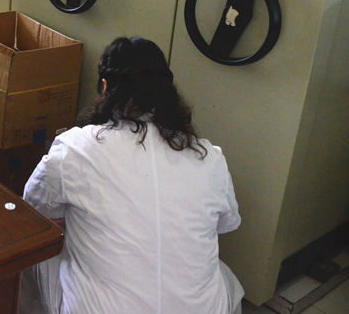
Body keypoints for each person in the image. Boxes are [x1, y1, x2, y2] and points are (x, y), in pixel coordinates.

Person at [21, 37, 244, 314]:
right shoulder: (209, 157)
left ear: (104, 87)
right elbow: (225, 224)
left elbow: (33, 210)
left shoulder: (74, 149)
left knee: (38, 249)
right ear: (168, 91)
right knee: (219, 272)